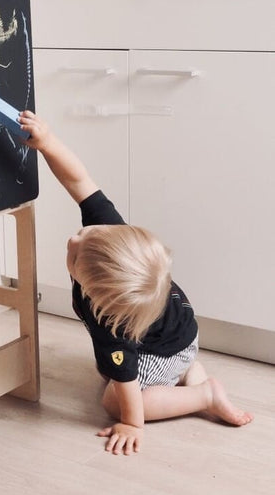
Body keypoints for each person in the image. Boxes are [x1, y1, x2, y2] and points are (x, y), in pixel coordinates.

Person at [18, 110, 253, 455]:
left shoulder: (107, 321)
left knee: (113, 398)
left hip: (165, 349)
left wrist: (132, 422)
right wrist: (48, 144)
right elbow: (79, 182)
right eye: (83, 234)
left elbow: (125, 378)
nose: (73, 241)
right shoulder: (110, 235)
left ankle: (203, 394)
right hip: (179, 334)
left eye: (74, 259)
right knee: (112, 372)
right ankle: (187, 373)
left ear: (93, 293)